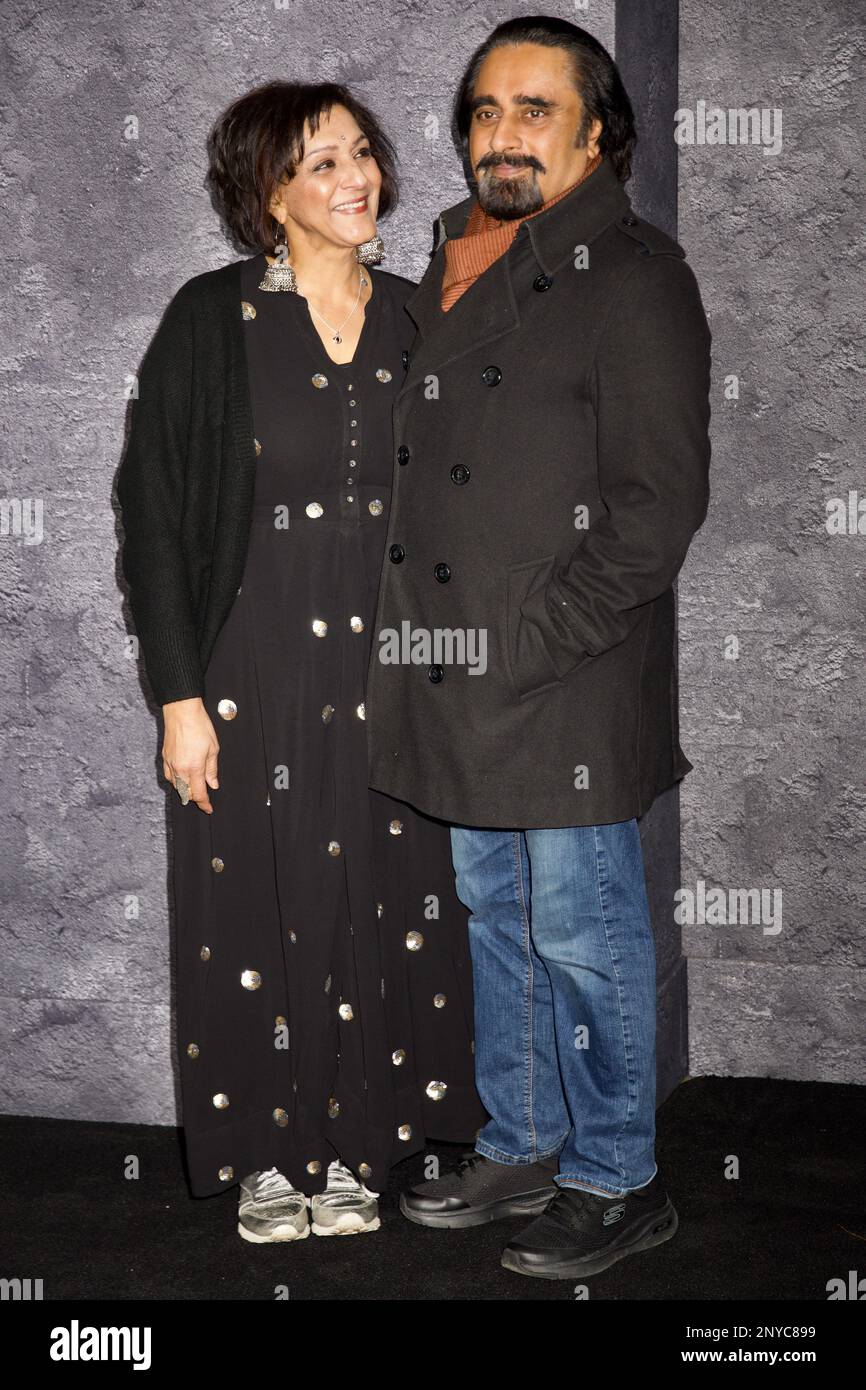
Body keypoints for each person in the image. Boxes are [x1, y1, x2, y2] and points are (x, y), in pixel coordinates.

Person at [365, 17, 712, 1279]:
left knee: (583, 928)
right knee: (494, 913)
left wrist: (537, 642)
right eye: (483, 110)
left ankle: (616, 1174)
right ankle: (521, 1140)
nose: (499, 134)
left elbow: (654, 507)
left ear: (595, 131)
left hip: (560, 677)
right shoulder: (452, 260)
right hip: (464, 671)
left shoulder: (631, 273)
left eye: (531, 109)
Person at [116, 80, 486, 1244]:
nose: (355, 175)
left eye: (361, 151)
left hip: (390, 679)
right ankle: (268, 1160)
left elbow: (468, 507)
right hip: (248, 674)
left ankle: (361, 1143)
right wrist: (179, 698)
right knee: (251, 910)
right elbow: (155, 516)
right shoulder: (207, 320)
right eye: (321, 161)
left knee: (386, 906)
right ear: (268, 192)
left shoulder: (424, 319)